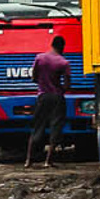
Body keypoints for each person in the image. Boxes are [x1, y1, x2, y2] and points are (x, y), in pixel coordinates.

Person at [24, 33, 70, 167]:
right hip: (57, 97)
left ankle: (28, 161)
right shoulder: (64, 62)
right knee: (55, 127)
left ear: (52, 45)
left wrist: (43, 83)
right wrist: (60, 88)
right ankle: (48, 161)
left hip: (42, 96)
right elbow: (67, 85)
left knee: (38, 127)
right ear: (62, 47)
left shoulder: (40, 58)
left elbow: (33, 77)